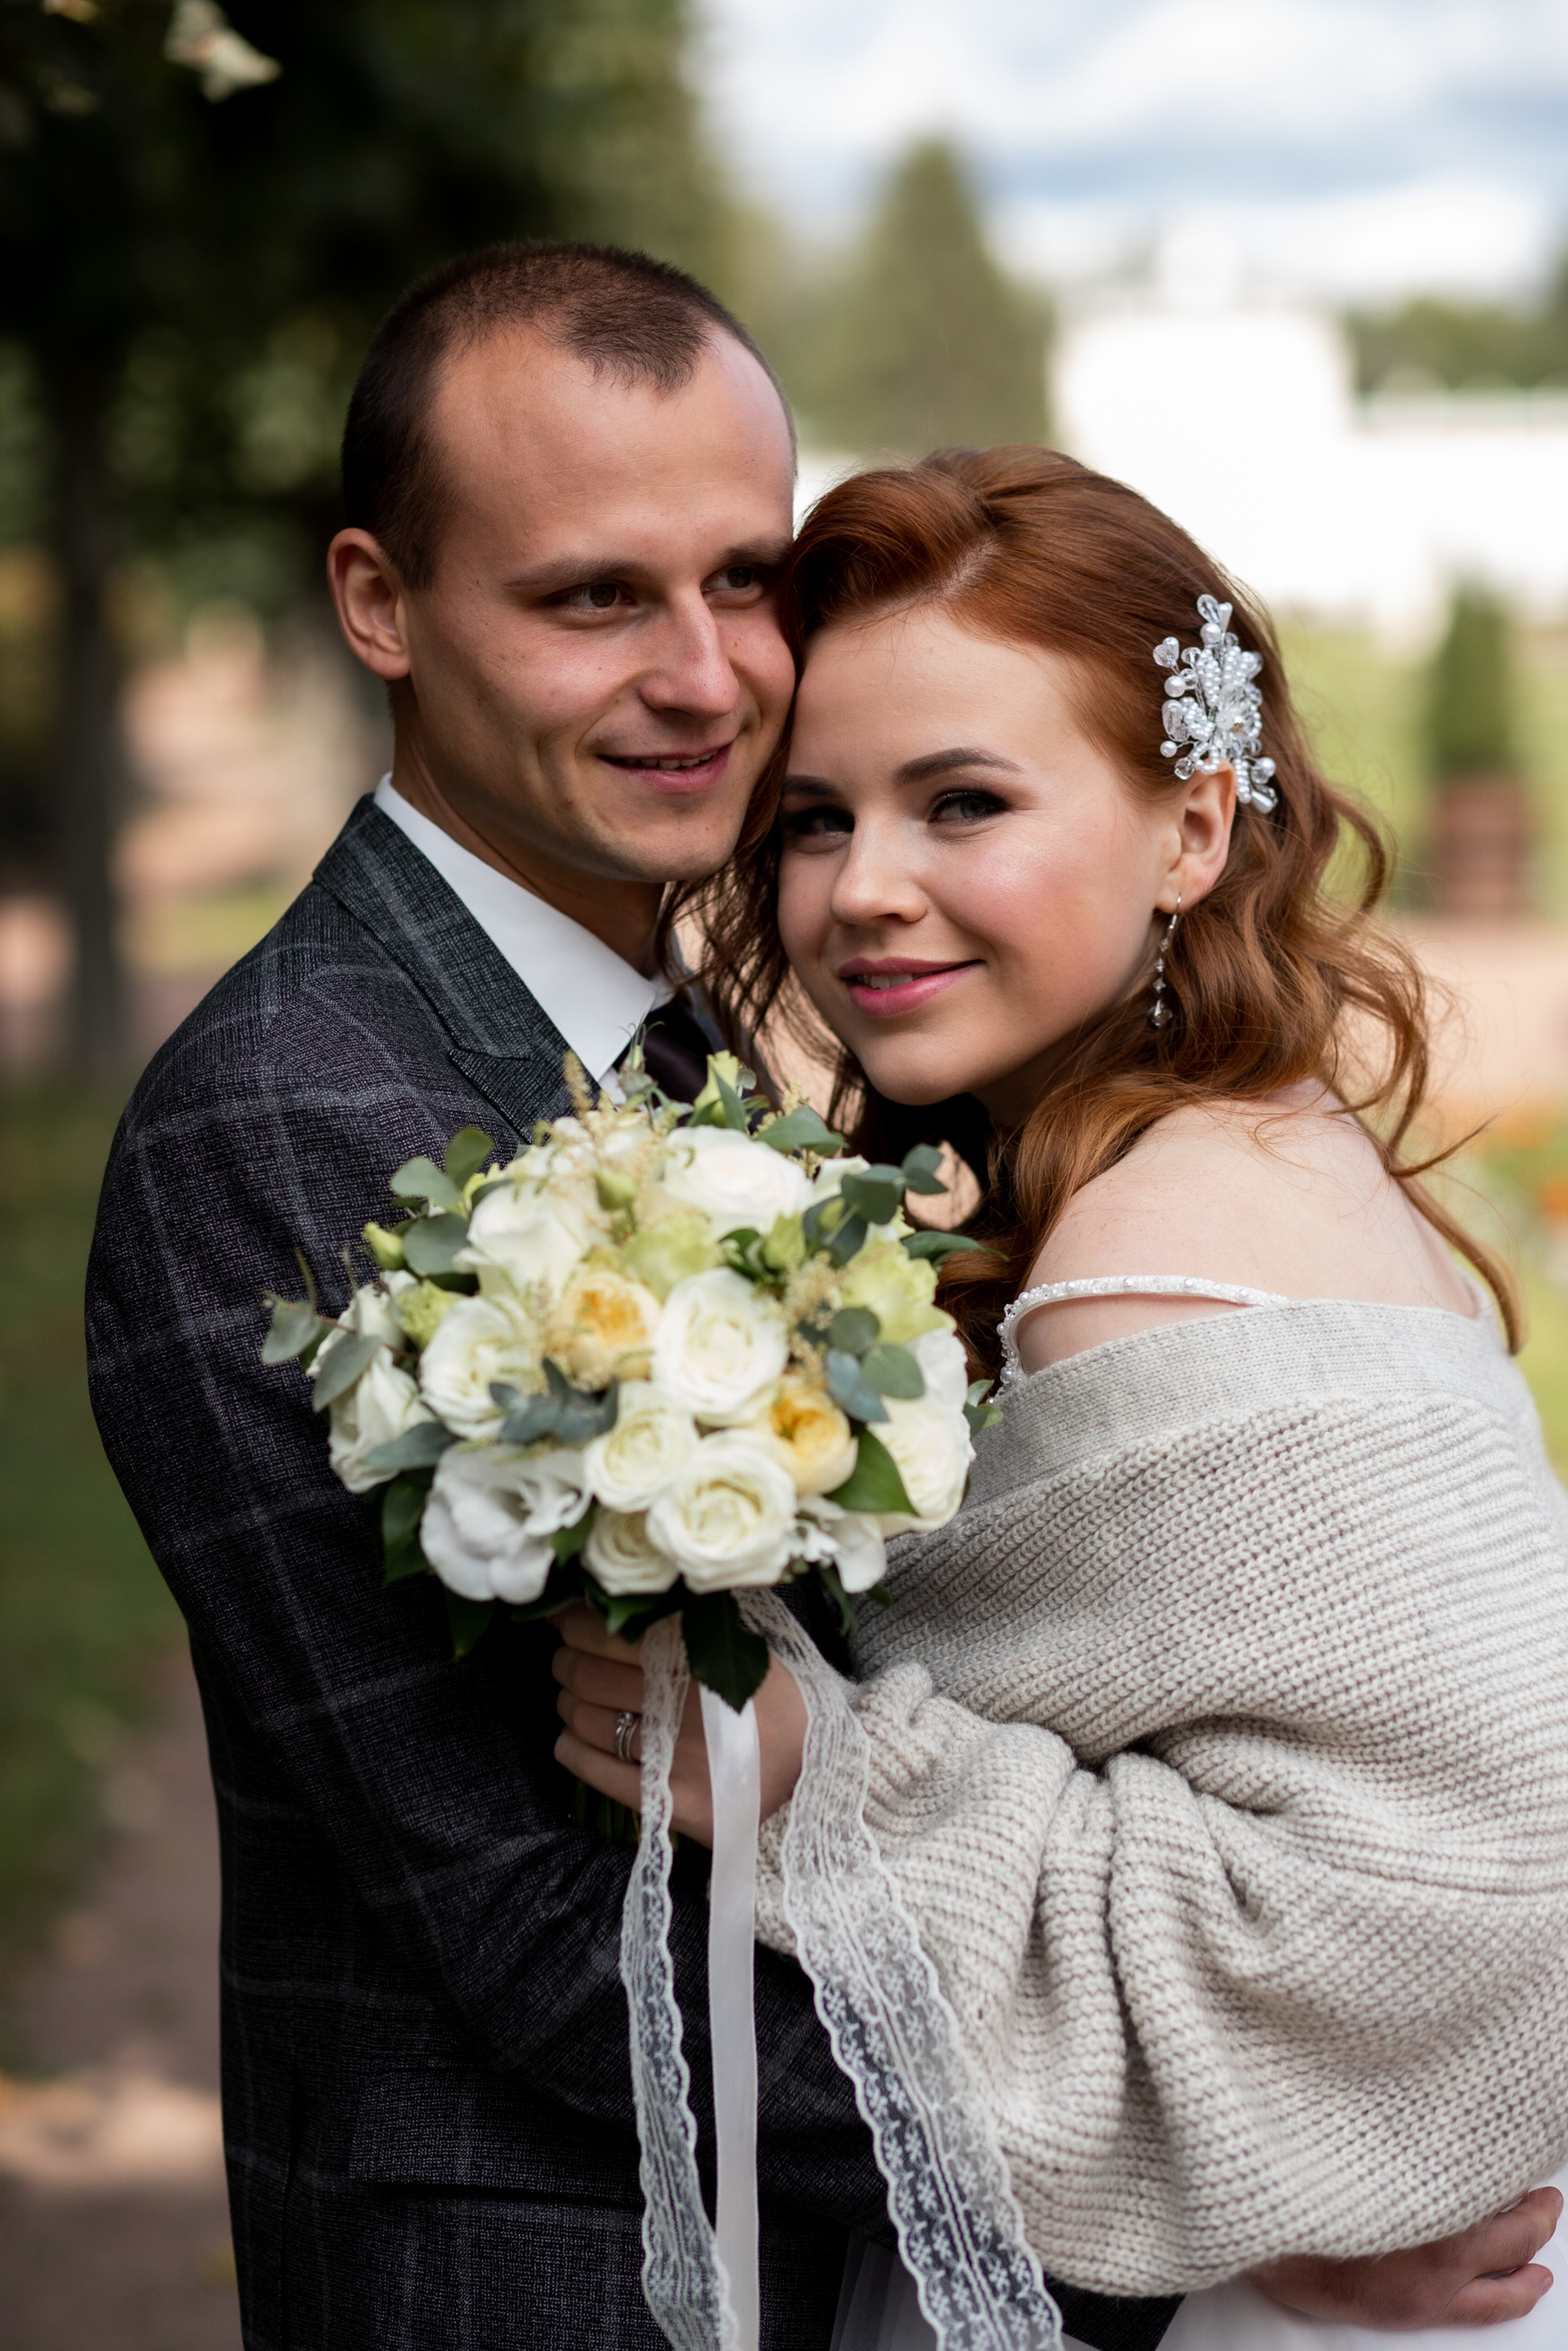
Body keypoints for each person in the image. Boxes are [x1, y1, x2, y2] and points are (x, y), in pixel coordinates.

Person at [86, 243, 1548, 2350]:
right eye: (594, 596)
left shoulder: (679, 1046)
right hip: (555, 2268)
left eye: (745, 579)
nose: (703, 676)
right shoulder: (284, 1111)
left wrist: (1236, 2170)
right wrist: (1211, 2201)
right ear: (379, 603)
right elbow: (533, 1924)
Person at [555, 447, 1568, 2346]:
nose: (866, 892)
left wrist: (811, 1768)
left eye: (965, 804)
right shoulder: (1244, 1137)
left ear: (1192, 829)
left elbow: (1489, 1885)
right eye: (816, 818)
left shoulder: (1147, 1260)